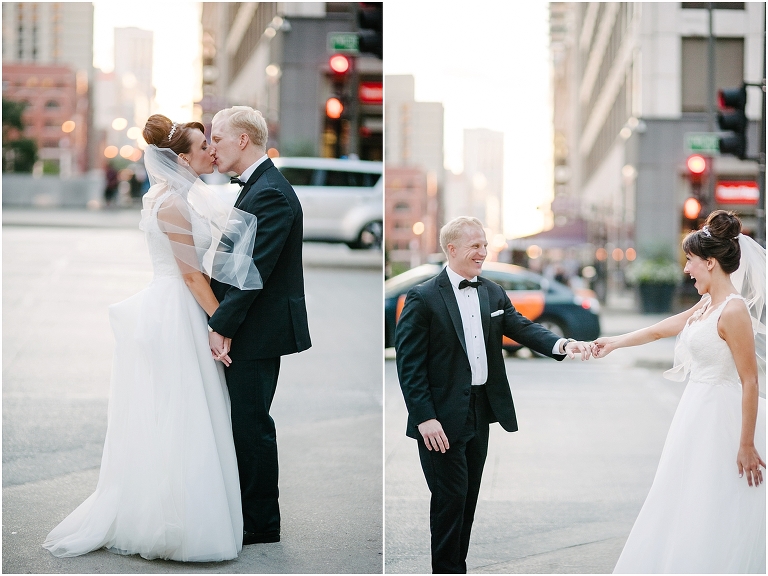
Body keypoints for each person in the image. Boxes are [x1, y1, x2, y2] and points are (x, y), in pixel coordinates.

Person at [43, 114, 262, 561]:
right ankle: (171, 521)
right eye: (204, 147)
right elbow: (191, 277)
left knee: (184, 409)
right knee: (180, 412)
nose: (211, 152)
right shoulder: (173, 205)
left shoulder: (179, 196)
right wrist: (224, 325)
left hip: (177, 307)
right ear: (182, 159)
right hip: (175, 312)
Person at [394, 216, 593, 574]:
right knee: (449, 501)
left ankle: (458, 568)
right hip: (439, 417)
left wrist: (562, 344)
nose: (483, 252)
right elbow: (409, 365)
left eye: (485, 245)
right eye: (475, 245)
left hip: (480, 411)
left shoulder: (491, 291)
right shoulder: (422, 297)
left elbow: (522, 327)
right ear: (451, 248)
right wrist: (424, 417)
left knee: (467, 500)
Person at [591, 210, 766, 573]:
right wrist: (614, 343)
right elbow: (660, 330)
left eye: (690, 261)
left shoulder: (733, 311)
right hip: (695, 412)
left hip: (721, 419)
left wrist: (746, 443)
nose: (686, 269)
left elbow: (750, 380)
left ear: (711, 263)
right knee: (684, 496)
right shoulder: (707, 305)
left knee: (713, 500)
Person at [208, 106, 311, 545]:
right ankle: (250, 516)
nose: (212, 147)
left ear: (243, 140)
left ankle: (261, 525)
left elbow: (254, 271)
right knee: (245, 422)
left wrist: (221, 323)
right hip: (250, 323)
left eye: (217, 138)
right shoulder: (258, 186)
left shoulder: (270, 192)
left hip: (256, 327)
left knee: (250, 424)